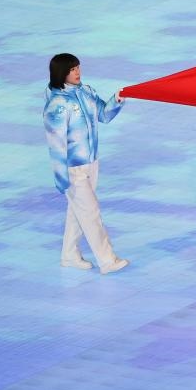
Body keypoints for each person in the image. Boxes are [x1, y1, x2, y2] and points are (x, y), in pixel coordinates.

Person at [43, 53, 129, 274]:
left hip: (92, 163)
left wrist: (117, 99)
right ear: (61, 73)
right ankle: (107, 260)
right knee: (91, 213)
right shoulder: (57, 105)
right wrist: (61, 176)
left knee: (77, 212)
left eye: (78, 67)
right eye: (72, 69)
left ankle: (70, 255)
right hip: (73, 169)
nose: (77, 72)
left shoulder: (86, 92)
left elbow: (104, 115)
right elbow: (56, 144)